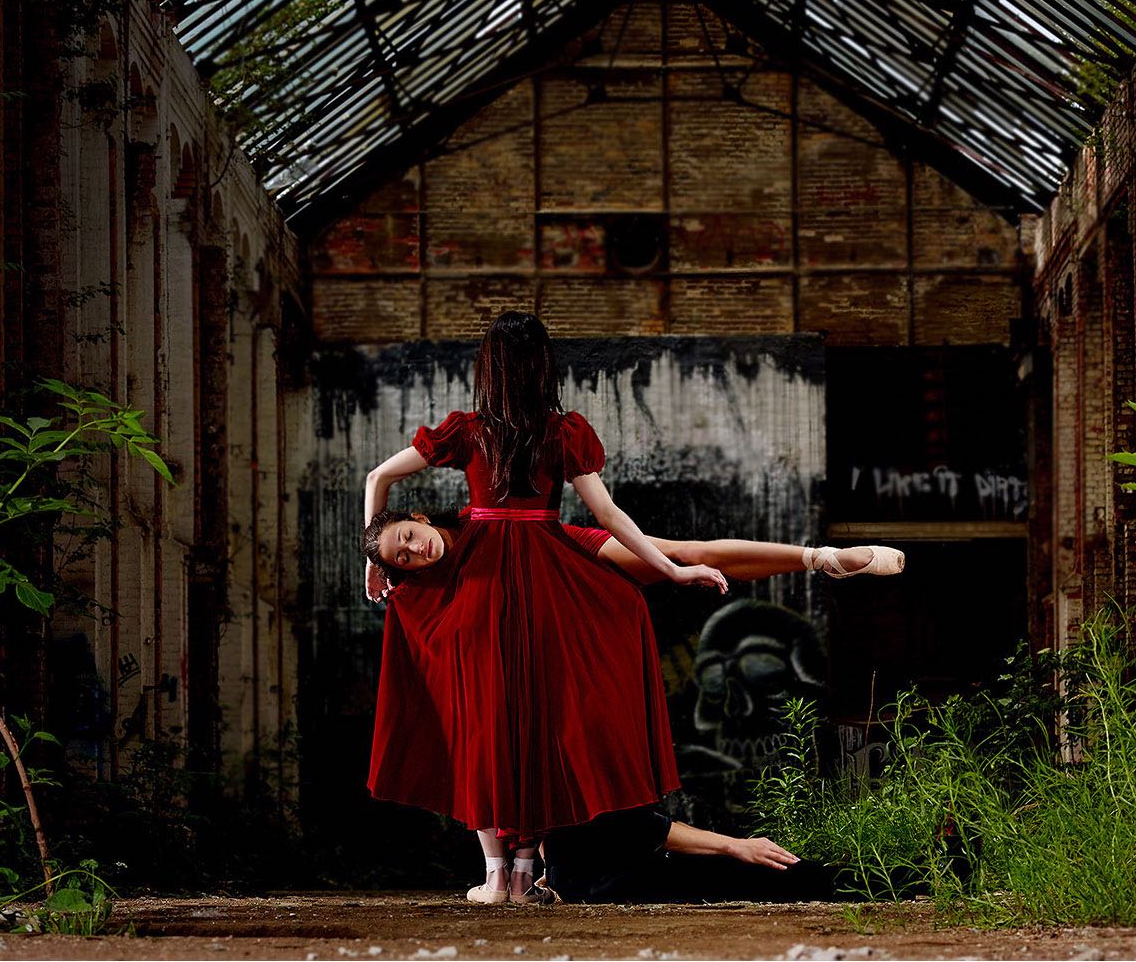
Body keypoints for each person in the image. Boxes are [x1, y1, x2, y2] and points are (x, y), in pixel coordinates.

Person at [361, 311, 729, 906]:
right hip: (548, 577)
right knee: (537, 719)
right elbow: (610, 517)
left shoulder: (470, 430)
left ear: (490, 367)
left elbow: (378, 476)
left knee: (483, 720)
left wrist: (375, 561)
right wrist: (671, 570)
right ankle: (529, 875)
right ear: (544, 368)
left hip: (480, 580)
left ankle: (496, 875)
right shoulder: (562, 432)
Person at [361, 506, 905, 599]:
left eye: (407, 537)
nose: (414, 551)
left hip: (568, 551)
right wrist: (381, 567)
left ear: (420, 518)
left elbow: (377, 474)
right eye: (401, 558)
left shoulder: (471, 515)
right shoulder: (428, 584)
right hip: (552, 608)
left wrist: (371, 558)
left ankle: (822, 559)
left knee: (682, 554)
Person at [529, 805, 836, 904]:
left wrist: (556, 865)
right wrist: (736, 845)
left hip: (590, 877)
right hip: (613, 881)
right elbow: (648, 829)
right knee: (763, 872)